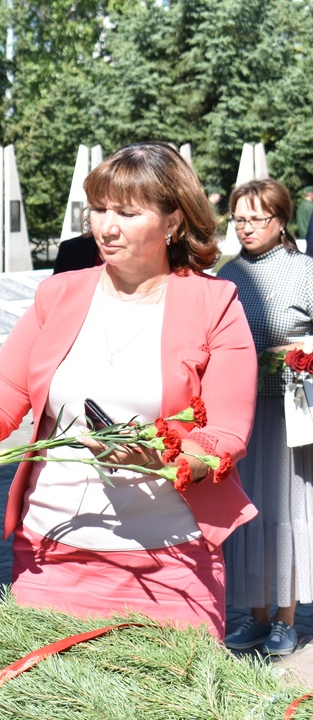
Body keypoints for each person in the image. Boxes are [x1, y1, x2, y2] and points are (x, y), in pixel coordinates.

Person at [0, 141, 257, 639]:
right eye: (99, 209)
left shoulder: (215, 302)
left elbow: (227, 432)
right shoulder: (58, 293)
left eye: (127, 213)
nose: (106, 227)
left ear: (173, 221)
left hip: (171, 566)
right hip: (51, 557)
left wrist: (169, 459)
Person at [218, 179, 313, 656]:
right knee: (248, 510)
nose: (246, 227)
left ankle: (286, 619)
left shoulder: (305, 272)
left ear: (281, 221)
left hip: (291, 415)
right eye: (239, 219)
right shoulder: (228, 275)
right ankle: (255, 616)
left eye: (256, 218)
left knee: (286, 511)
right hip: (241, 412)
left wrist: (294, 354)